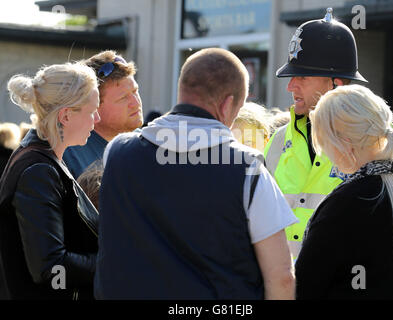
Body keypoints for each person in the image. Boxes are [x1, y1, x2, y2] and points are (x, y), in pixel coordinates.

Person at [95, 48, 298, 299]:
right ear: (226, 105)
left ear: (182, 91)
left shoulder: (116, 152)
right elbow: (282, 277)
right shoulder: (248, 169)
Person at [264, 8, 393, 259]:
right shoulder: (278, 140)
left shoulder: (381, 141)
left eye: (302, 76)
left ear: (336, 84)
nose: (290, 86)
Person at [295, 84, 393, 299]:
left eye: (324, 143)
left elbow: (306, 286)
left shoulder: (342, 205)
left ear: (345, 144)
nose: (325, 153)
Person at [0, 62, 100, 300]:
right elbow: (50, 269)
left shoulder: (41, 158)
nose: (96, 119)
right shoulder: (38, 170)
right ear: (66, 115)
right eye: (92, 110)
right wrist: (111, 264)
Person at [63, 50, 143, 179]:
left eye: (135, 91)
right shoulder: (69, 155)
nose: (135, 102)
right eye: (123, 98)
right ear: (94, 106)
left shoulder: (145, 144)